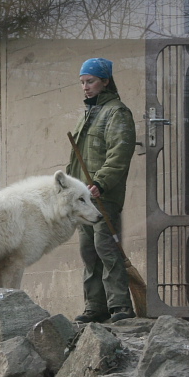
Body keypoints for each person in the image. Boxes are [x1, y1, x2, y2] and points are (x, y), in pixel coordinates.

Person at [67, 57, 137, 323]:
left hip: (103, 195)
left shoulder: (117, 112)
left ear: (105, 81)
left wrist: (101, 182)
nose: (85, 87)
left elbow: (120, 153)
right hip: (83, 198)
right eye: (83, 82)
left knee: (105, 247)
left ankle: (120, 305)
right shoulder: (88, 115)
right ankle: (95, 307)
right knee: (88, 251)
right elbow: (76, 160)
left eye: (91, 81)